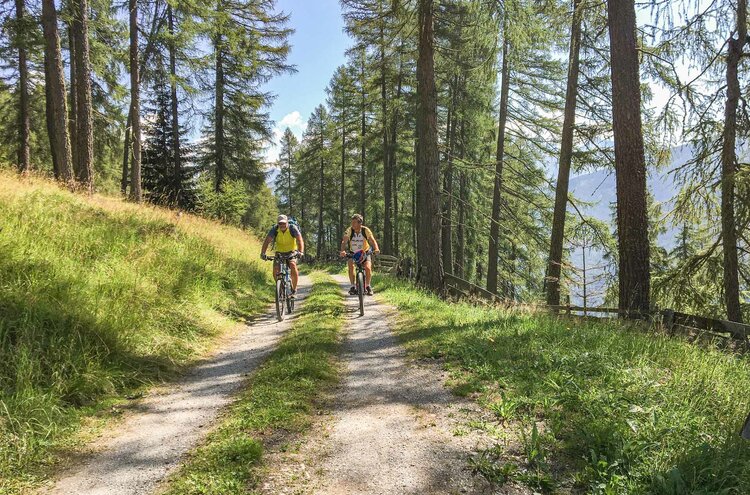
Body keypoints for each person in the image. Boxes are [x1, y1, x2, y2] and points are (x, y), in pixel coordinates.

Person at [261, 215, 305, 297]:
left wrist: (301, 251)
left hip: (292, 251)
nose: (282, 225)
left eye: (284, 223)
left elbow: (300, 240)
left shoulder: (292, 228)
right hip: (279, 252)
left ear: (287, 222)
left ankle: (294, 290)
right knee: (275, 270)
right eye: (280, 223)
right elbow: (267, 241)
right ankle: (280, 287)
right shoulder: (275, 229)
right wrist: (263, 253)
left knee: (292, 265)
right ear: (278, 224)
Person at [339, 213, 380, 295]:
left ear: (360, 223)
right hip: (353, 253)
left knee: (368, 268)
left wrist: (376, 248)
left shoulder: (365, 230)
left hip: (365, 252)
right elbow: (344, 241)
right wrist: (342, 251)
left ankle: (368, 286)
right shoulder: (349, 230)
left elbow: (372, 240)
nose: (352, 224)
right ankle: (352, 286)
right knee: (350, 265)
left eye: (354, 222)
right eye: (352, 222)